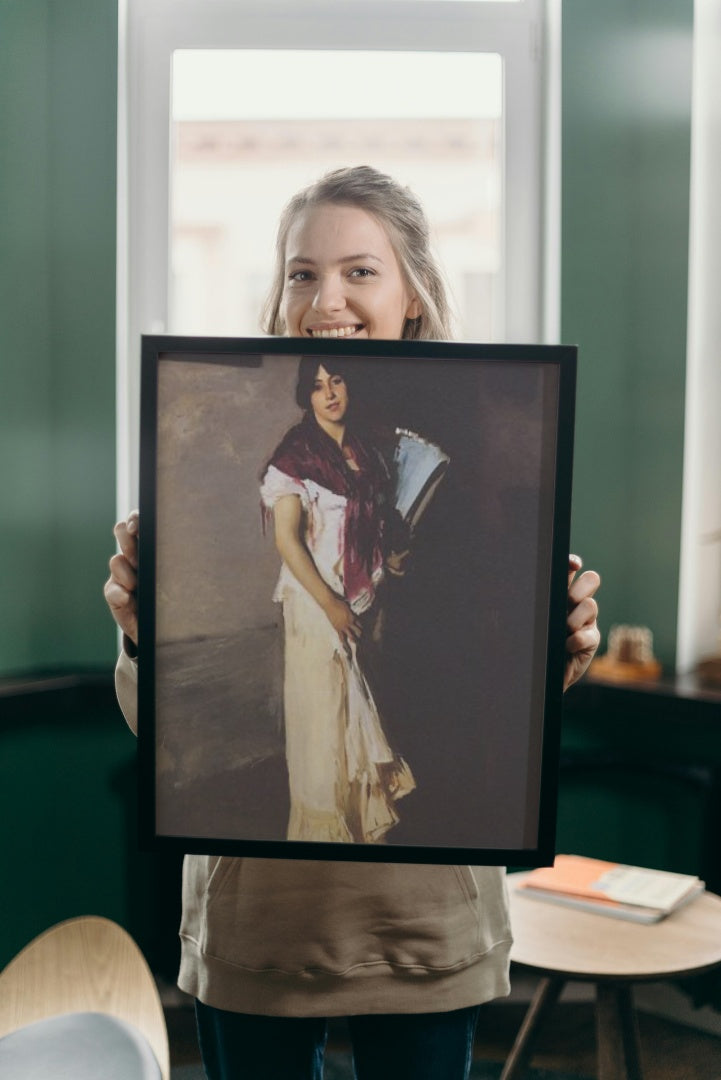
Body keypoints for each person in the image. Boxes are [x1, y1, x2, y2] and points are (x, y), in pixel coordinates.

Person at [105, 165, 601, 1080]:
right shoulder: (277, 451)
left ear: (412, 292)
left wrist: (554, 653)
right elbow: (160, 726)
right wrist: (142, 635)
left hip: (424, 920)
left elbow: (491, 681)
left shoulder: (477, 440)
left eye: (359, 271)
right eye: (301, 272)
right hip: (260, 922)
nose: (324, 297)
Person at [259, 355, 415, 843]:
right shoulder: (294, 456)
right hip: (315, 607)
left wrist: (392, 560)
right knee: (324, 733)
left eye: (337, 381)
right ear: (306, 395)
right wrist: (330, 604)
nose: (329, 393)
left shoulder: (367, 454)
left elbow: (373, 531)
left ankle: (364, 847)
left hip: (362, 608)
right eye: (318, 385)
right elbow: (288, 540)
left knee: (358, 731)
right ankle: (321, 851)